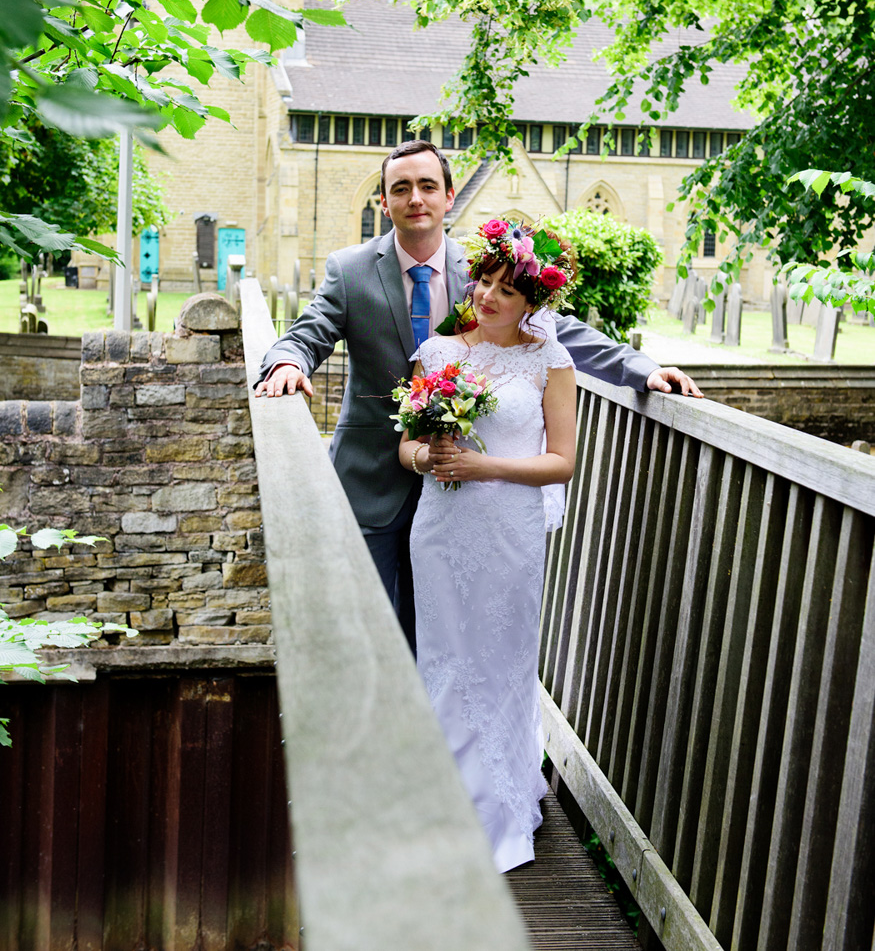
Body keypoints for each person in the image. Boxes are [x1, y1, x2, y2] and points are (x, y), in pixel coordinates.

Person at [254, 140, 702, 648]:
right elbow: (310, 329)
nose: (415, 198)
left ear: (449, 195)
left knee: (445, 635)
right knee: (368, 630)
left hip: (463, 499)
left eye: (427, 186)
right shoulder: (349, 269)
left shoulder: (485, 271)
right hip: (374, 476)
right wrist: (288, 362)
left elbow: (561, 332)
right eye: (400, 188)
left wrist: (640, 368)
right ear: (384, 202)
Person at [398, 217, 578, 872]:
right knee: (443, 659)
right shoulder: (439, 354)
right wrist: (428, 457)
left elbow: (560, 461)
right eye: (484, 280)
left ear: (533, 299)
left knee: (500, 658)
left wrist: (487, 468)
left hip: (510, 527)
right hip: (442, 528)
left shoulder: (548, 361)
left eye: (507, 287)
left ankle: (497, 808)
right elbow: (406, 444)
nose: (490, 295)